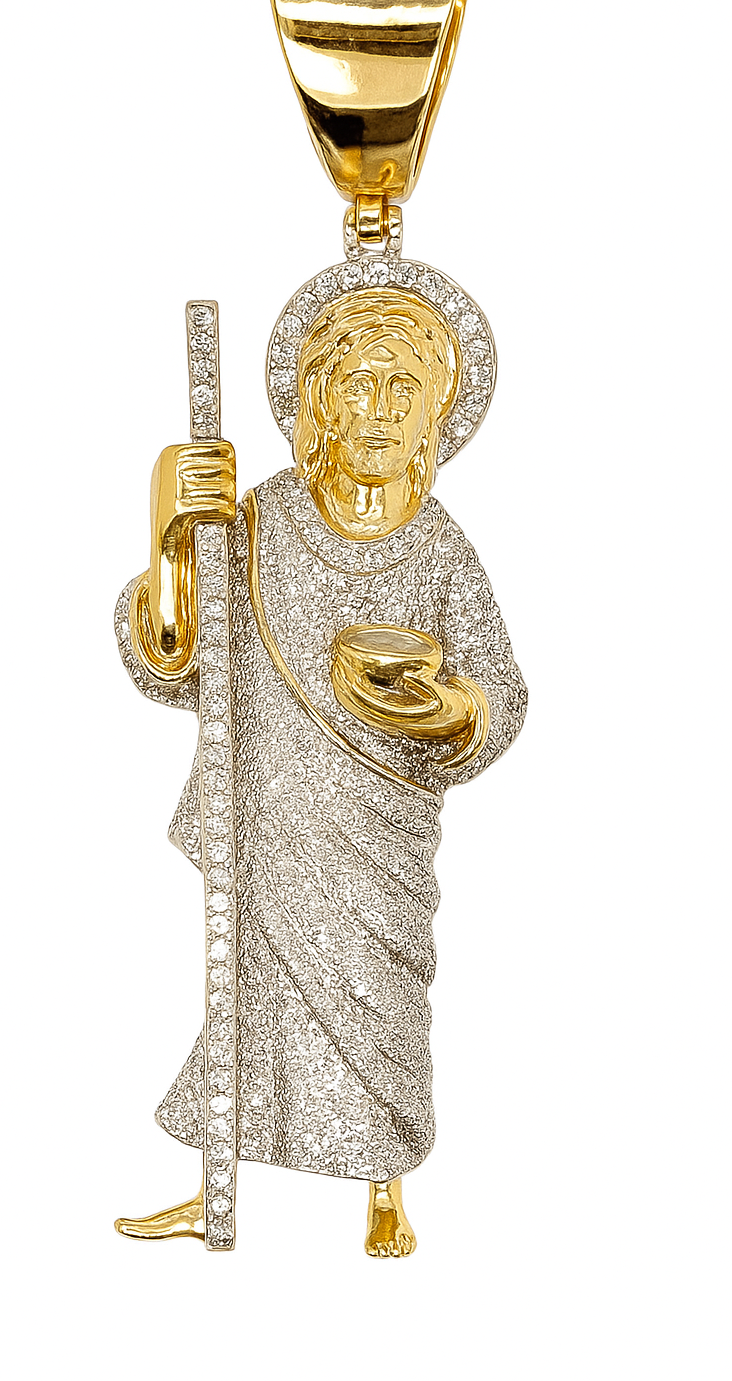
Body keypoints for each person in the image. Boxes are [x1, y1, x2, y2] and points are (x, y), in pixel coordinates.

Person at [115, 287, 527, 1255]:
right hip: (265, 813)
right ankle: (214, 1189)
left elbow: (501, 690)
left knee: (380, 1000)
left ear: (435, 414)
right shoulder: (261, 520)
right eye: (358, 385)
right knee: (244, 999)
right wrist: (171, 531)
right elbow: (179, 666)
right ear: (319, 403)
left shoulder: (439, 547)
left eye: (402, 389)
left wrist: (447, 711)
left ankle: (384, 1187)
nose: (378, 410)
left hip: (379, 826)